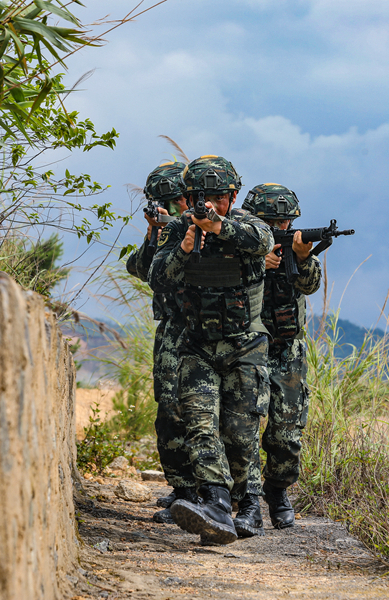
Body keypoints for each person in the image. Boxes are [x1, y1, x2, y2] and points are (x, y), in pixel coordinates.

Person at [148, 156, 274, 544]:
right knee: (200, 424)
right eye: (202, 198)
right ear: (187, 199)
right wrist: (185, 247)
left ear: (233, 195)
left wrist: (219, 227)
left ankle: (249, 505)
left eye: (220, 197)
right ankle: (216, 506)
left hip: (243, 346)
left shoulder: (249, 225)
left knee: (240, 430)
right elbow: (157, 278)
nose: (212, 204)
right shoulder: (179, 230)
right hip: (196, 346)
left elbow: (261, 242)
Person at [241, 183, 322, 529]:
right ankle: (246, 497)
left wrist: (301, 257)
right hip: (249, 344)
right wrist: (260, 262)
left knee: (286, 431)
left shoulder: (294, 246)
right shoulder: (240, 246)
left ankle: (277, 489)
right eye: (272, 222)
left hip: (287, 348)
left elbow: (311, 284)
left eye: (285, 222)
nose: (281, 228)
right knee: (241, 425)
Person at [125, 162, 197, 523]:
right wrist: (155, 232)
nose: (173, 207)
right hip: (172, 328)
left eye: (176, 201)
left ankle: (215, 490)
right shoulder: (167, 230)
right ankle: (183, 489)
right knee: (169, 409)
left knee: (208, 413)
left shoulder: (209, 224)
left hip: (209, 330)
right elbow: (140, 269)